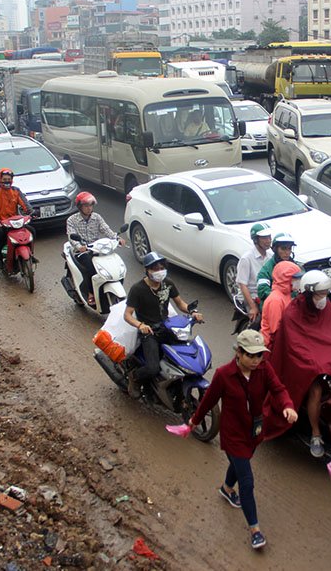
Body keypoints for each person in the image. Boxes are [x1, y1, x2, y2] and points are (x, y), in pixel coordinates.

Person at [187, 329, 298, 551]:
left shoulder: (264, 369)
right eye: (251, 355)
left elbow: (278, 389)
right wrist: (194, 421)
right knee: (247, 481)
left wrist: (288, 406)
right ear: (239, 352)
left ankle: (227, 488)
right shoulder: (223, 374)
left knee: (239, 466)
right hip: (233, 434)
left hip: (255, 431)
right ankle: (255, 530)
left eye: (260, 355)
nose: (256, 360)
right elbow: (209, 401)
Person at [265, 270, 331, 458]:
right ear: (308, 294)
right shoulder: (292, 314)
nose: (324, 298)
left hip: (324, 358)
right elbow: (295, 348)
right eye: (320, 295)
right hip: (302, 366)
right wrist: (317, 362)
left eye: (325, 294)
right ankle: (316, 433)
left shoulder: (325, 306)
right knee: (315, 389)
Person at [124, 252, 203, 398]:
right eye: (155, 268)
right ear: (147, 270)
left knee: (184, 356)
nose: (159, 271)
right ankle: (134, 377)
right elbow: (127, 314)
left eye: (161, 267)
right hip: (149, 332)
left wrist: (193, 312)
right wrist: (140, 325)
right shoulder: (138, 289)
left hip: (167, 327)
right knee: (152, 368)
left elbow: (180, 303)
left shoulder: (168, 283)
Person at [65, 191, 123, 306]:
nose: (89, 208)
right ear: (80, 207)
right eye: (86, 205)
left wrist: (117, 238)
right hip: (82, 252)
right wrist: (79, 246)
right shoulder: (72, 220)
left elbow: (106, 229)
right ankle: (91, 293)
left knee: (114, 264)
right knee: (90, 268)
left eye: (90, 205)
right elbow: (72, 237)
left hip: (97, 250)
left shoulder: (97, 217)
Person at [0, 168, 34, 269]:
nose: (7, 181)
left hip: (16, 222)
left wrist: (31, 212)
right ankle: (0, 259)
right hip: (1, 223)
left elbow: (24, 203)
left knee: (32, 231)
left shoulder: (16, 191)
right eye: (4, 179)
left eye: (9, 179)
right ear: (0, 179)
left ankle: (31, 255)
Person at [236, 222, 273, 326]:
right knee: (259, 322)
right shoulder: (246, 259)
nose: (268, 240)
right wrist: (253, 307)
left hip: (266, 292)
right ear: (256, 240)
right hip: (251, 295)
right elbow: (242, 285)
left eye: (269, 237)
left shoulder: (270, 257)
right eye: (264, 238)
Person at [260, 260, 301, 346]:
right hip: (272, 345)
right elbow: (276, 330)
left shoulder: (286, 294)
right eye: (296, 279)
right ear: (286, 279)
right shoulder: (275, 300)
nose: (298, 282)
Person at [256, 232, 296, 302]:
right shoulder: (266, 270)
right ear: (275, 249)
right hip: (274, 305)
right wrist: (283, 298)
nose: (287, 252)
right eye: (283, 248)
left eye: (289, 248)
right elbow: (262, 291)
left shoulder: (296, 266)